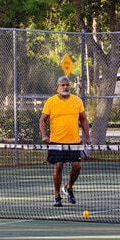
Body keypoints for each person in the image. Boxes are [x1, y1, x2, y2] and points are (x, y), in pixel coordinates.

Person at [39, 76, 91, 207]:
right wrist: (44, 135)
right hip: (56, 142)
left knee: (77, 167)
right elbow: (42, 120)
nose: (65, 87)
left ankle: (68, 187)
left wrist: (87, 137)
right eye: (62, 85)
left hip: (74, 142)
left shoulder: (77, 100)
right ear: (57, 87)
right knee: (58, 167)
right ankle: (57, 196)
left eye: (67, 85)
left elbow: (83, 119)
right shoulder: (51, 101)